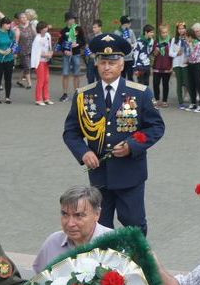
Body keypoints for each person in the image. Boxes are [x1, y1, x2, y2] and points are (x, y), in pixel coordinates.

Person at [62, 33, 165, 234]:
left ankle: (136, 264)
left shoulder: (140, 93)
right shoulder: (84, 95)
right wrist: (83, 153)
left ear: (122, 65)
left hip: (130, 173)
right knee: (100, 228)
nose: (107, 67)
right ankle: (103, 265)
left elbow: (156, 127)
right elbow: (71, 132)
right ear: (97, 64)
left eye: (112, 62)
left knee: (134, 226)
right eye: (102, 62)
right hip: (99, 175)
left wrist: (132, 146)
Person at [58, 12, 84, 101]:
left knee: (76, 74)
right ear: (67, 20)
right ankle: (65, 93)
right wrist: (64, 50)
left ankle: (77, 93)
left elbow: (83, 41)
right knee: (65, 74)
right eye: (71, 19)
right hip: (66, 55)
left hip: (76, 54)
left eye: (74, 19)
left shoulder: (78, 29)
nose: (73, 20)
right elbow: (59, 43)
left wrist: (77, 44)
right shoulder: (63, 31)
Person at [30, 20, 53, 106]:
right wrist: (46, 54)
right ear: (40, 29)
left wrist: (50, 53)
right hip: (39, 61)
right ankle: (38, 99)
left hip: (46, 61)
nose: (46, 29)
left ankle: (46, 98)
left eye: (46, 27)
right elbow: (36, 52)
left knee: (46, 79)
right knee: (41, 80)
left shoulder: (48, 35)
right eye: (44, 27)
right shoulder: (37, 38)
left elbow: (50, 46)